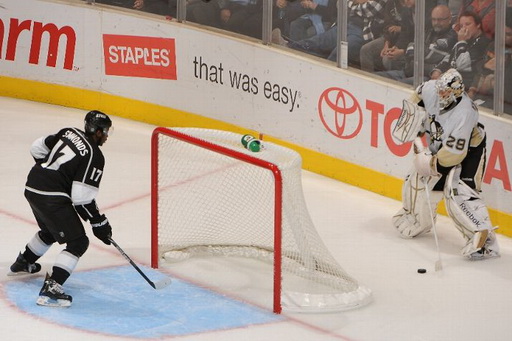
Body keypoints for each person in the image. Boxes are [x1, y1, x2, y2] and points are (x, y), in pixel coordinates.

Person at [8, 110, 114, 307]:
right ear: (98, 132)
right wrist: (99, 222)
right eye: (106, 131)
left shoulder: (69, 132)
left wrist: (47, 173)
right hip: (51, 196)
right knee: (78, 242)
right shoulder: (95, 155)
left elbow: (37, 147)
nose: (107, 136)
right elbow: (81, 197)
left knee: (50, 230)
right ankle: (51, 289)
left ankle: (24, 262)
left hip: (32, 185)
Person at [392, 68, 499, 260]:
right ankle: (419, 219)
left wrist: (431, 163)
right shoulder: (431, 88)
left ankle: (484, 241)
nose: (440, 95)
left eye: (446, 92)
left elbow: (453, 155)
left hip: (469, 151)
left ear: (457, 92)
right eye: (440, 90)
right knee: (416, 178)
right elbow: (416, 99)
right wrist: (413, 123)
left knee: (458, 191)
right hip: (441, 144)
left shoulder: (465, 112)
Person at [376, 4, 457, 84]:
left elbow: (428, 53)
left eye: (440, 20)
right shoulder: (430, 31)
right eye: (434, 19)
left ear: (449, 19)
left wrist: (405, 52)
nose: (436, 23)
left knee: (397, 85)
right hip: (409, 71)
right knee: (377, 77)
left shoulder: (451, 36)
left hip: (426, 77)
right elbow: (414, 44)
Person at [430, 11, 490, 92]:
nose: (464, 28)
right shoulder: (466, 39)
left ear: (478, 25)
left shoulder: (483, 42)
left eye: (468, 24)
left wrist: (461, 41)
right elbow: (449, 57)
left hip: (463, 87)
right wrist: (437, 70)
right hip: (446, 83)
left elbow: (461, 64)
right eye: (461, 25)